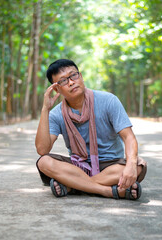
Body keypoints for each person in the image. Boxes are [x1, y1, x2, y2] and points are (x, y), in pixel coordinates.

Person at [35, 59, 147, 200]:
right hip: (77, 166)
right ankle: (108, 191)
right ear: (56, 89)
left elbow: (128, 137)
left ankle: (72, 186)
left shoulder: (108, 101)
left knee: (138, 166)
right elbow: (42, 149)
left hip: (111, 165)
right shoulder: (56, 114)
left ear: (80, 76)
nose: (71, 82)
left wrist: (130, 165)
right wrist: (45, 109)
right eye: (63, 81)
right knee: (44, 162)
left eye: (73, 76)